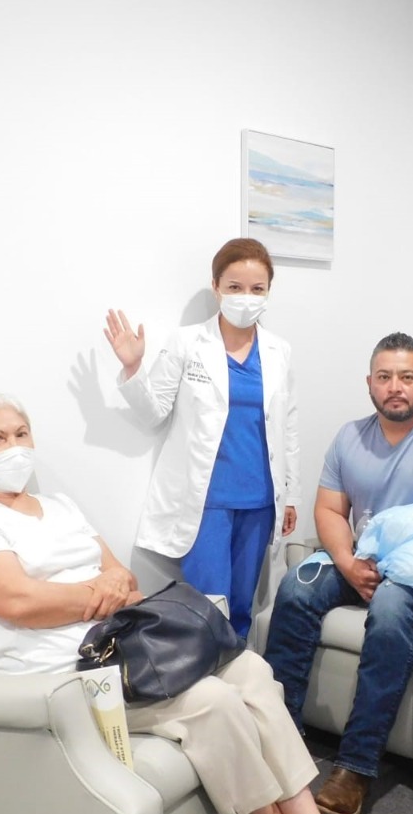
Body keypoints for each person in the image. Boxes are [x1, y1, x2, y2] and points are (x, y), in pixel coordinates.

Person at [0, 388, 394, 814]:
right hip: (58, 680)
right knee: (211, 700)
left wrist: (98, 590)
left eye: (21, 434)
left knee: (251, 668)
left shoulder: (57, 506)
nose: (15, 447)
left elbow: (123, 579)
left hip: (121, 652)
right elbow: (21, 603)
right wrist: (96, 590)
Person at [262, 333, 413, 814]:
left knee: (390, 608)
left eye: (407, 377)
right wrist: (346, 561)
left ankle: (355, 767)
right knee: (296, 586)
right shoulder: (350, 437)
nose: (395, 387)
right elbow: (330, 509)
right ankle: (280, 739)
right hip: (363, 558)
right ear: (369, 383)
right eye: (385, 377)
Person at [104, 238, 298, 638]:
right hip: (205, 500)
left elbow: (287, 426)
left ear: (268, 292)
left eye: (257, 289)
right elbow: (154, 412)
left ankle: (239, 677)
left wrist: (291, 493)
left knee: (242, 608)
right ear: (216, 287)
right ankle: (208, 677)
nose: (246, 297)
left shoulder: (279, 350)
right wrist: (134, 368)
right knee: (208, 607)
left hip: (260, 500)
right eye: (235, 287)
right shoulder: (187, 342)